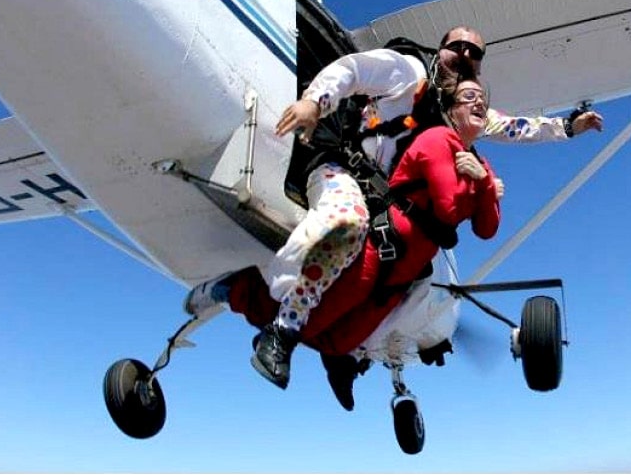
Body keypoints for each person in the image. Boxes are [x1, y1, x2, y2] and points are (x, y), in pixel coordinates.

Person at [185, 26, 603, 390]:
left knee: (380, 294)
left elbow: (514, 126)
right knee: (346, 222)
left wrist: (565, 126)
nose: (467, 56)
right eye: (458, 47)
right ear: (440, 51)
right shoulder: (410, 72)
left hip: (386, 208)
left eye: (476, 53)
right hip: (344, 173)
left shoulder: (459, 112)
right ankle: (280, 330)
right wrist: (316, 100)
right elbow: (354, 69)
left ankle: (342, 352)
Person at [219, 76, 501, 400]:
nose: (479, 102)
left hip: (401, 276)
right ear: (450, 109)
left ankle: (331, 358)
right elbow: (449, 207)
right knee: (310, 322)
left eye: (483, 98)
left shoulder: (480, 166)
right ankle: (239, 293)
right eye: (469, 96)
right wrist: (483, 186)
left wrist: (485, 183)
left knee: (341, 343)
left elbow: (487, 228)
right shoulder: (438, 139)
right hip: (380, 251)